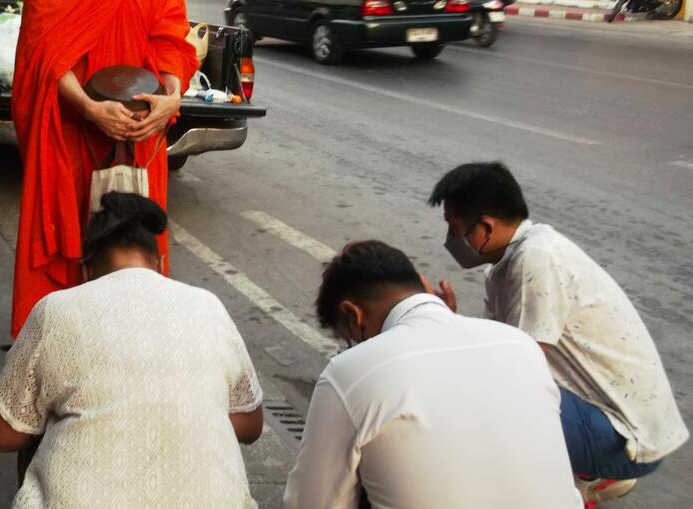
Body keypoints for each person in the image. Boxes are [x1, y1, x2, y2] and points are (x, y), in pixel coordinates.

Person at [9, 0, 199, 338]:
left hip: (138, 138)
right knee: (77, 236)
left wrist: (172, 98)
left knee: (135, 239)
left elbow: (173, 46)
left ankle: (131, 334)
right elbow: (46, 61)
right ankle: (67, 339)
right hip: (75, 140)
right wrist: (93, 110)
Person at [428, 162, 689, 504]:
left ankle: (566, 490)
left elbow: (515, 368)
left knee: (487, 401)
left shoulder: (535, 258)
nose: (451, 240)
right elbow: (497, 346)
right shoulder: (505, 265)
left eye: (455, 228)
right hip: (613, 421)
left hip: (626, 438)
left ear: (487, 226)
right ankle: (583, 471)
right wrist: (449, 322)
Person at [0, 192, 264, 508]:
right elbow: (250, 425)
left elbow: (3, 434)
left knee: (35, 427)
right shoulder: (209, 305)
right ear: (159, 264)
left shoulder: (56, 309)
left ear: (86, 270)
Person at [284, 240, 582, 509]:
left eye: (352, 338)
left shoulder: (351, 372)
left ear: (354, 314)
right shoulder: (520, 344)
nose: (356, 346)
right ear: (422, 285)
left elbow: (310, 503)